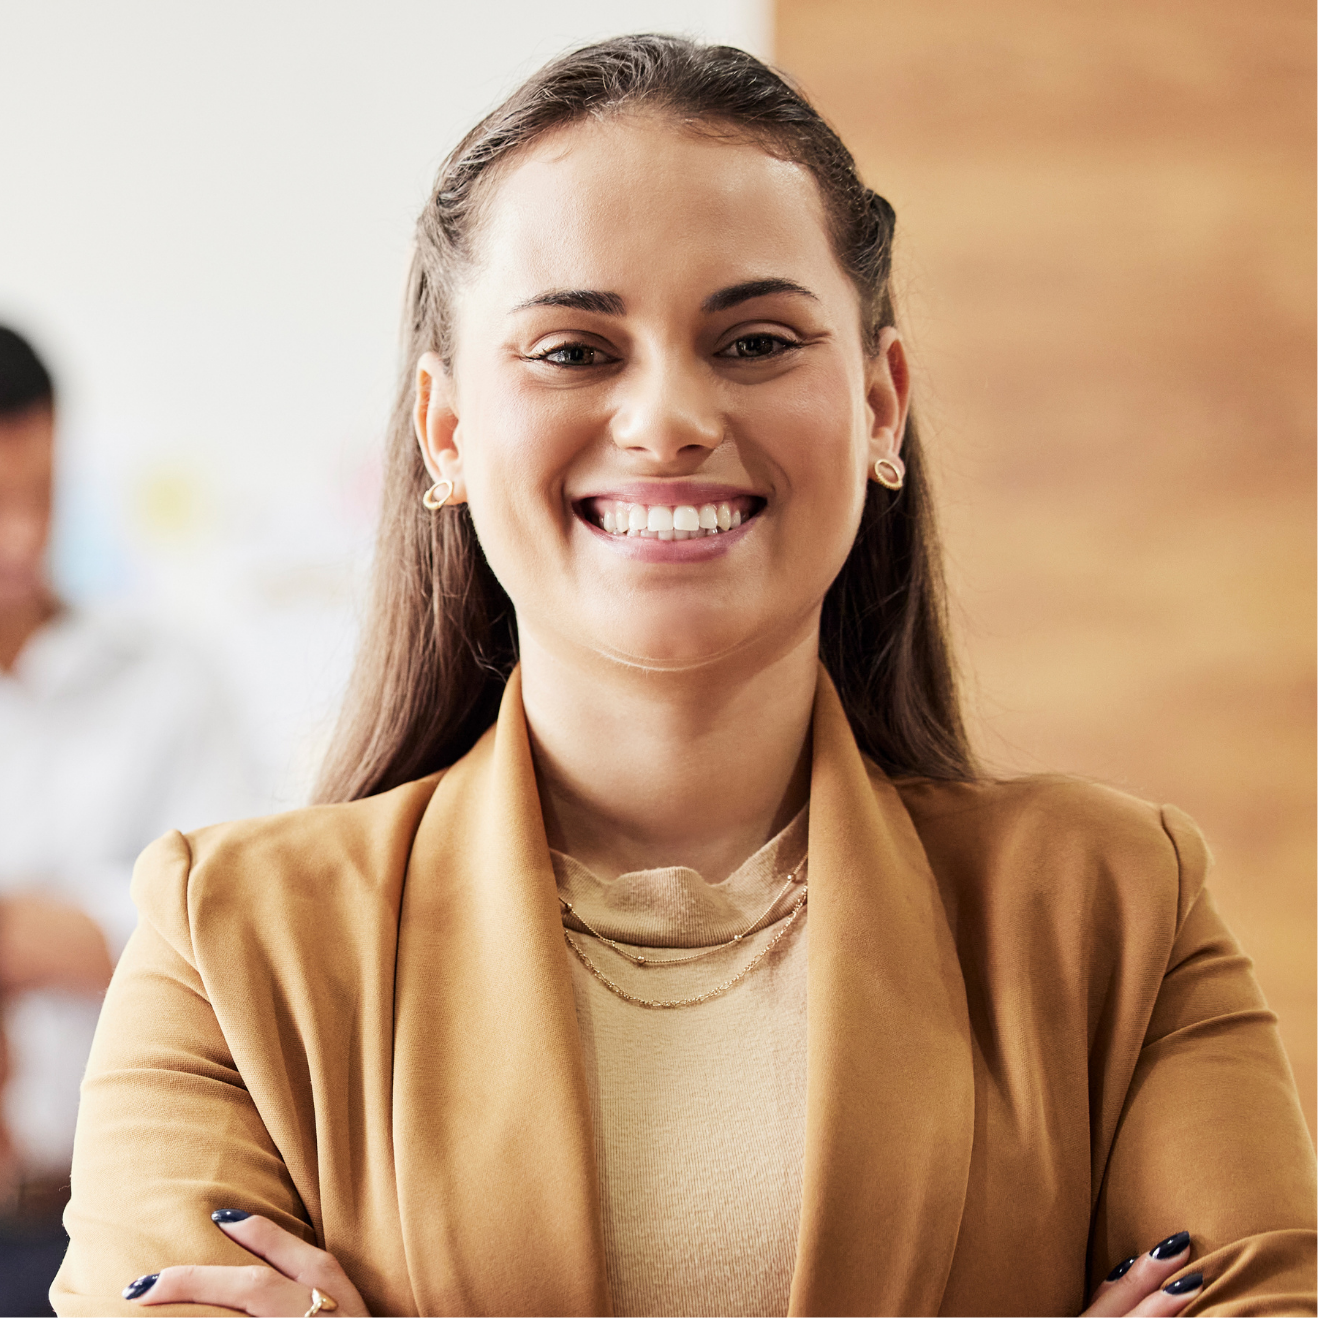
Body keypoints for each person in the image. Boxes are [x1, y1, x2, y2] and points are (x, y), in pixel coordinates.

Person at [51, 36, 1314, 1319]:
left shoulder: (1116, 906)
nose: (666, 419)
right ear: (444, 432)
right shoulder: (228, 942)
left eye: (756, 339)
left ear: (880, 404)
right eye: (572, 351)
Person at [0, 327, 259, 1316]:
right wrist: (73, 927)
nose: (23, 535)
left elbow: (224, 949)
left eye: (43, 494)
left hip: (103, 1219)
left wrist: (31, 933)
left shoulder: (170, 683)